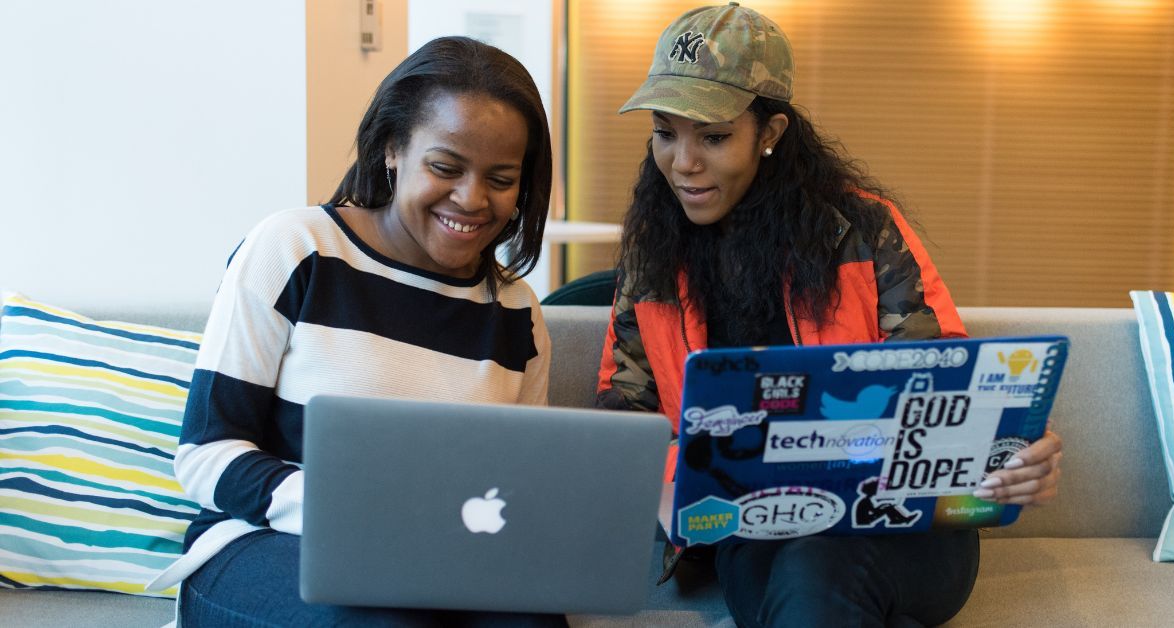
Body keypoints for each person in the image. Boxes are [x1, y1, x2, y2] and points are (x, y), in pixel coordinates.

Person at [595, 4, 1063, 627]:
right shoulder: (652, 252)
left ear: (770, 132)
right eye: (664, 132)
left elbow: (943, 376)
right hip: (751, 528)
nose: (683, 161)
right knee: (811, 577)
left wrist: (1013, 452)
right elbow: (623, 411)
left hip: (904, 523)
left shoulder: (863, 230)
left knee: (815, 570)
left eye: (713, 137)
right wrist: (673, 479)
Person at [147, 36, 565, 627]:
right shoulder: (296, 249)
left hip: (443, 560)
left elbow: (517, 484)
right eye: (445, 167)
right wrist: (355, 513)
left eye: (500, 178)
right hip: (263, 545)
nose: (472, 199)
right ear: (393, 148)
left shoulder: (516, 311)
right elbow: (205, 452)